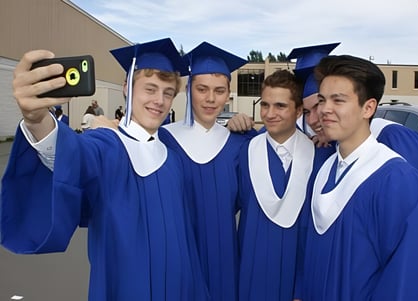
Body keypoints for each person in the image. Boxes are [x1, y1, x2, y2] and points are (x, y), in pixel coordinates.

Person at [1, 38, 209, 301]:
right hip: (126, 290)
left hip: (181, 288)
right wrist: (36, 119)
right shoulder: (107, 145)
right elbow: (72, 156)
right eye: (150, 89)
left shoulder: (173, 158)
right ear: (127, 88)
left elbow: (186, 240)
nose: (159, 100)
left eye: (168, 93)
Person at [290, 45, 418, 300]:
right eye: (321, 101)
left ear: (368, 108)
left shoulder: (398, 180)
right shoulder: (323, 172)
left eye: (338, 100)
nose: (323, 111)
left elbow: (407, 277)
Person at [158, 41, 252, 301]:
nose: (211, 99)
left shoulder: (238, 144)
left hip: (225, 260)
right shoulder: (164, 139)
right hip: (176, 256)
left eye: (219, 91)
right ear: (188, 90)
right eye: (202, 89)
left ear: (228, 94)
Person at [237, 69, 325, 301]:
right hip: (251, 273)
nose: (270, 113)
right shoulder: (243, 152)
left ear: (298, 111)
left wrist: (302, 287)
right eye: (265, 105)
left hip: (297, 276)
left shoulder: (319, 158)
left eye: (280, 106)